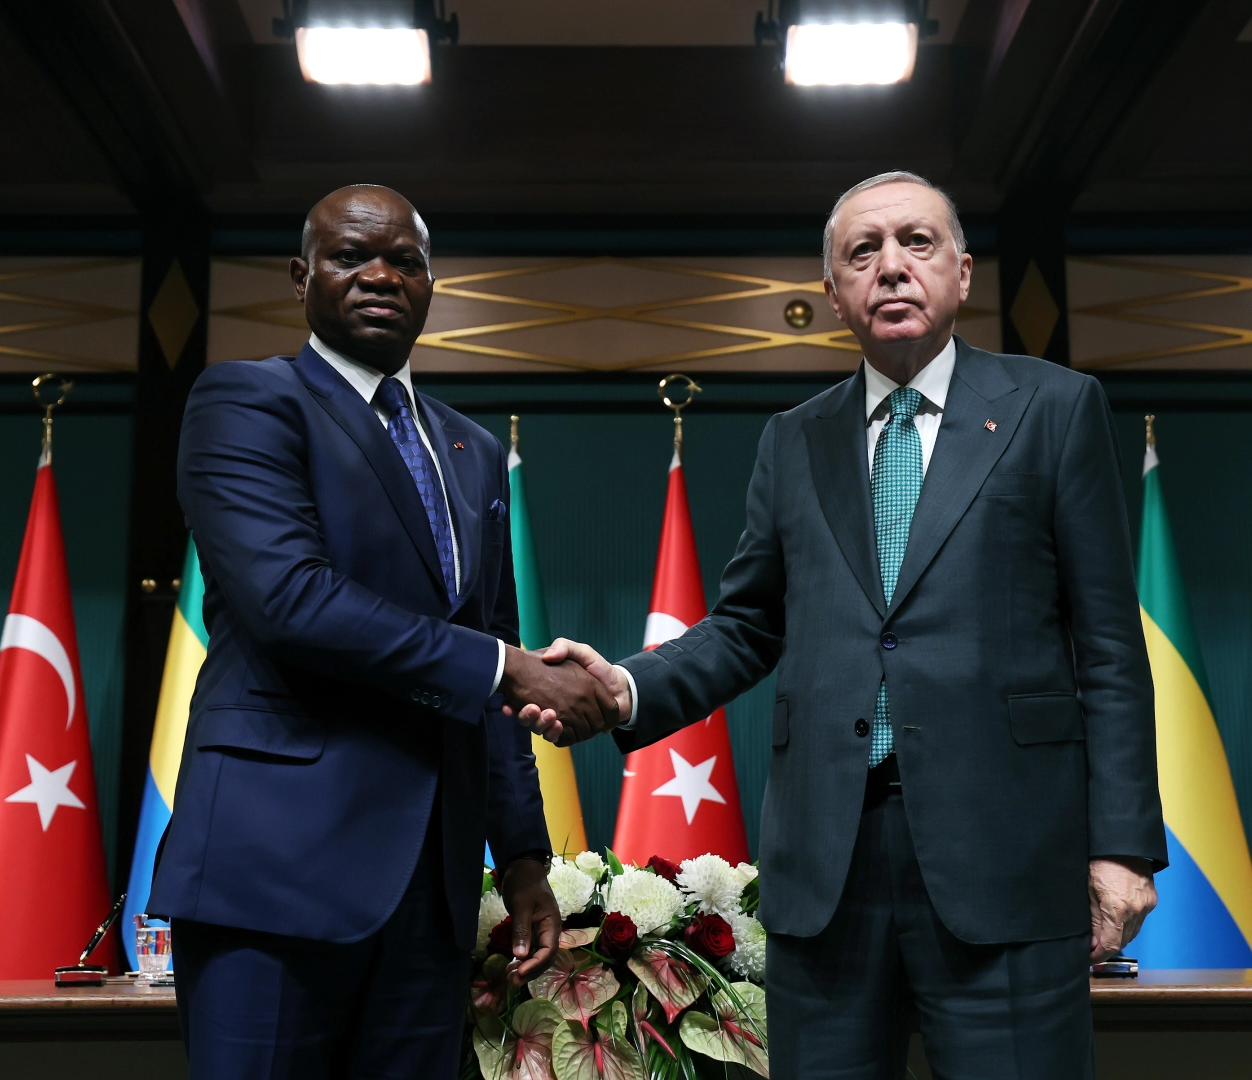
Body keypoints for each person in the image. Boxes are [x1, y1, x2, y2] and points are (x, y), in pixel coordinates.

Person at [528, 172, 1166, 1079]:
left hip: (1007, 859)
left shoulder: (1053, 408)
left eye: (916, 242)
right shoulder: (793, 438)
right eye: (863, 252)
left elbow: (1108, 646)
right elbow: (747, 624)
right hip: (827, 870)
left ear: (962, 272)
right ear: (833, 293)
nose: (891, 267)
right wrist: (624, 687)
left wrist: (1122, 846)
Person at [148, 184, 618, 1080]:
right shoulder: (245, 402)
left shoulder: (472, 449)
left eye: (405, 261)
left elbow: (491, 650)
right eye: (349, 256)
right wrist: (505, 667)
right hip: (274, 874)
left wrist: (522, 856)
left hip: (428, 891)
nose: (379, 275)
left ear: (431, 285)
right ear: (301, 277)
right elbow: (291, 600)